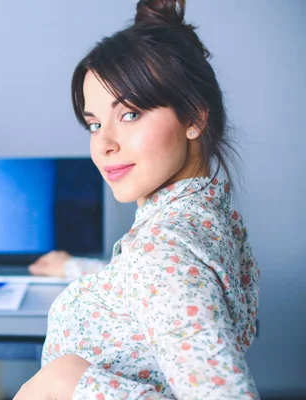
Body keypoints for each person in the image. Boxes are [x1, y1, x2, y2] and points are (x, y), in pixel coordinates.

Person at [15, 0, 260, 398]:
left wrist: (70, 382)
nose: (103, 145)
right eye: (94, 123)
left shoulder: (164, 249)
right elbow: (147, 291)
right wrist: (76, 268)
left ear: (194, 118)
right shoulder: (203, 217)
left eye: (129, 114)